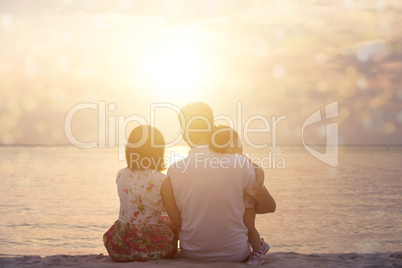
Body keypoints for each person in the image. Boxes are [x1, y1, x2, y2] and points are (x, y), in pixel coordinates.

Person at [161, 102, 276, 262]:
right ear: (212, 128)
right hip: (236, 253)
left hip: (192, 252)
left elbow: (178, 221)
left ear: (184, 134)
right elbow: (269, 206)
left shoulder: (174, 171)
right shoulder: (240, 162)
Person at [103, 125, 178, 262]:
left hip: (119, 245)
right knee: (170, 221)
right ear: (158, 152)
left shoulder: (120, 174)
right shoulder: (162, 180)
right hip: (153, 247)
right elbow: (175, 218)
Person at [209, 125, 270, 266]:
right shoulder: (219, 160)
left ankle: (258, 252)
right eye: (235, 145)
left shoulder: (241, 159)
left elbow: (259, 169)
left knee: (249, 226)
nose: (239, 148)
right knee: (238, 224)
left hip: (247, 199)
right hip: (233, 198)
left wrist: (259, 183)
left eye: (239, 145)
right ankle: (260, 244)